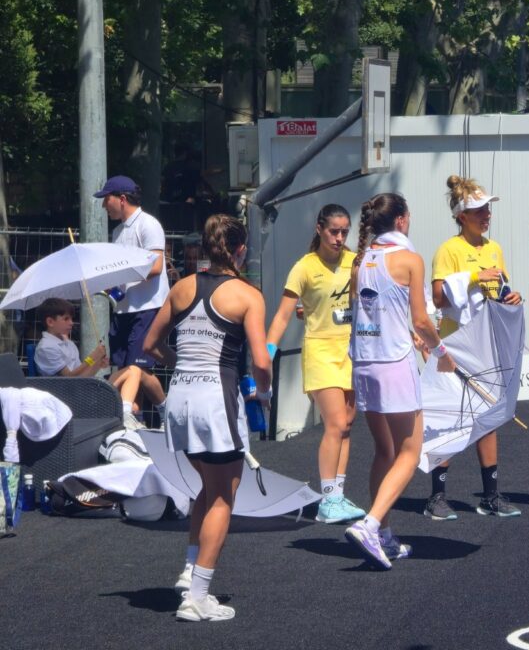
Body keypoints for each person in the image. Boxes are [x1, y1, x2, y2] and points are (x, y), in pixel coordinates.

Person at [143, 214, 272, 622]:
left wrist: (181, 363)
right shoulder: (247, 294)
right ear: (239, 249)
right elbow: (262, 360)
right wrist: (263, 393)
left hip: (180, 399)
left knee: (207, 487)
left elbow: (150, 344)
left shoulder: (181, 287)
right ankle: (197, 596)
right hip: (217, 402)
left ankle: (189, 570)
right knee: (223, 496)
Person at [344, 193, 456, 570]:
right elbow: (421, 321)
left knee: (383, 451)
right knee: (411, 451)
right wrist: (442, 354)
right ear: (403, 221)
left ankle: (384, 535)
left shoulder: (360, 261)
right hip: (393, 363)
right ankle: (371, 523)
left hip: (365, 363)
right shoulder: (409, 259)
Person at [426, 176, 523, 520]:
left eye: (487, 209)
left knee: (489, 419)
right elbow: (438, 297)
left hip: (487, 342)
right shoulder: (448, 250)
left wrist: (513, 296)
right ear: (461, 216)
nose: (486, 215)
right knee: (449, 419)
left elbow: (501, 287)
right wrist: (471, 278)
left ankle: (491, 495)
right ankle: (437, 496)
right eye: (478, 210)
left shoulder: (493, 247)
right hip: (455, 343)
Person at [266, 204, 365, 524]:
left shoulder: (355, 262)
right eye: (333, 231)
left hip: (351, 352)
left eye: (344, 232)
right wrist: (266, 353)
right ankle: (327, 499)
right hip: (320, 351)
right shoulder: (305, 267)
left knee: (347, 427)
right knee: (335, 423)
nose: (339, 238)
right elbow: (283, 314)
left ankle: (336, 494)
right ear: (319, 229)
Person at [94, 175, 168, 425]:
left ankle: (129, 414)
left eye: (107, 199)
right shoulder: (117, 231)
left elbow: (157, 265)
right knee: (131, 369)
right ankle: (149, 415)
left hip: (148, 307)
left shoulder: (148, 225)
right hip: (123, 308)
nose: (104, 206)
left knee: (137, 367)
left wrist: (123, 275)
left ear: (122, 199)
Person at [33, 298, 162, 428]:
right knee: (132, 380)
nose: (71, 323)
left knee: (134, 370)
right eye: (66, 319)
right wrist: (92, 357)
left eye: (71, 319)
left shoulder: (68, 343)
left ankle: (128, 412)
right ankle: (127, 414)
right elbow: (70, 378)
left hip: (83, 388)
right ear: (50, 322)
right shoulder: (46, 347)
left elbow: (82, 376)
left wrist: (98, 364)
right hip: (70, 396)